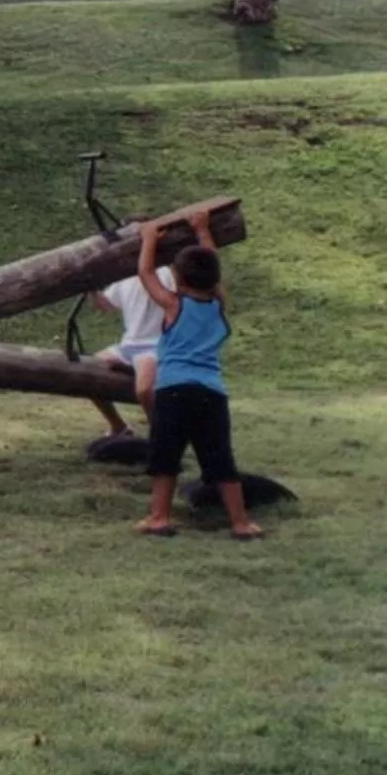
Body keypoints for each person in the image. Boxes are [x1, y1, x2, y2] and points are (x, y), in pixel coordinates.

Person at [133, 209, 261, 541]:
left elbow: (145, 272)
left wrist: (148, 237)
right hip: (212, 394)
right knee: (220, 458)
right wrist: (203, 230)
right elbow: (214, 274)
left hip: (174, 391)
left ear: (176, 277)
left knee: (166, 455)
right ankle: (240, 523)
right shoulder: (218, 306)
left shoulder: (174, 305)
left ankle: (159, 518)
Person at [88, 258, 174, 437]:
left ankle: (161, 436)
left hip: (154, 345)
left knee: (144, 390)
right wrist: (91, 289)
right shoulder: (125, 277)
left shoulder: (165, 273)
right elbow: (107, 305)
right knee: (88, 373)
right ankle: (118, 426)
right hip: (128, 346)